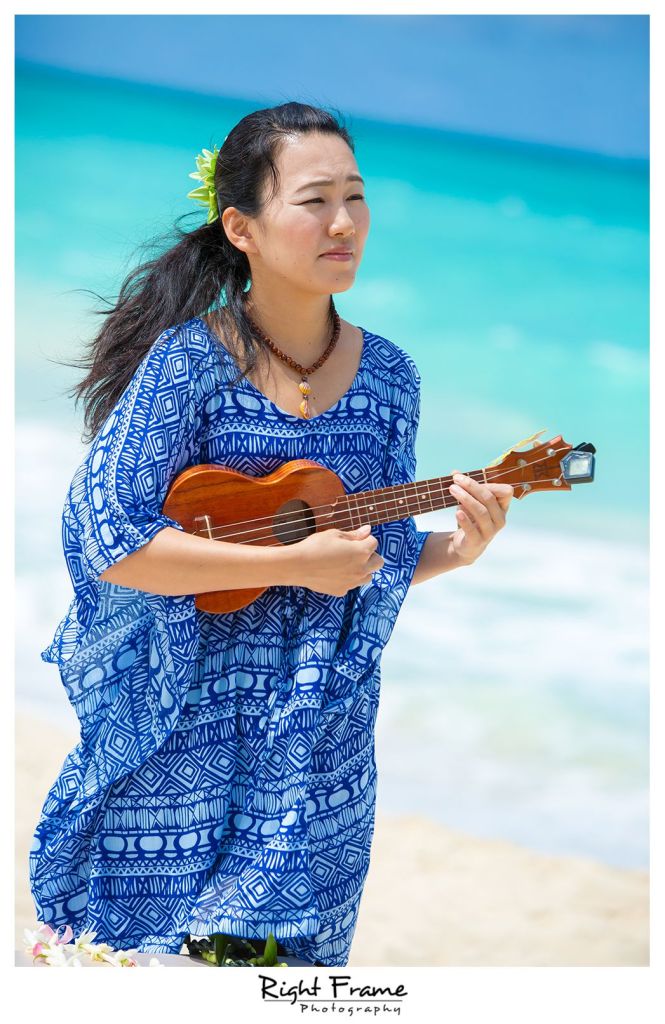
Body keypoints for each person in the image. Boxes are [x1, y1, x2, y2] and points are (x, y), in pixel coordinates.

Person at [29, 102, 513, 966]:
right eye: (314, 199)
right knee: (144, 968)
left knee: (283, 976)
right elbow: (114, 539)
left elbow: (367, 558)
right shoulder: (188, 362)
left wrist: (458, 548)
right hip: (187, 720)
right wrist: (292, 562)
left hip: (318, 733)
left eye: (356, 198)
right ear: (241, 227)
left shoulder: (390, 378)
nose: (343, 223)